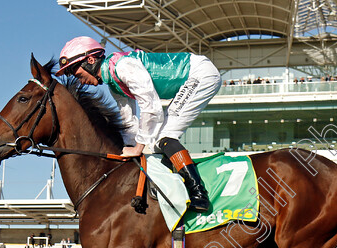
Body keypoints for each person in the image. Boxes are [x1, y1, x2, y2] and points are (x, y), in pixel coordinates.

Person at [56, 36, 223, 211]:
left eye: (79, 75)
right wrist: (125, 149)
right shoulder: (114, 82)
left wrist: (138, 148)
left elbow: (151, 108)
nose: (81, 81)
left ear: (90, 61)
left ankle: (199, 194)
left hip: (200, 74)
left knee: (165, 138)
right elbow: (128, 122)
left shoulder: (123, 67)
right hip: (189, 79)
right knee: (156, 142)